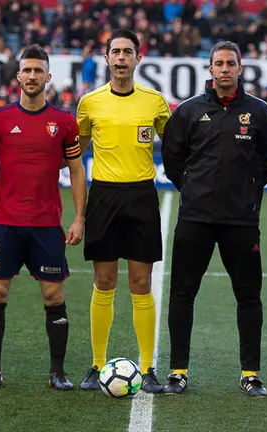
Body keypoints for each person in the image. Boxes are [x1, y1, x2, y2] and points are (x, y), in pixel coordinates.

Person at [161, 41, 267, 397]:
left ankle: (250, 373)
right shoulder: (188, 111)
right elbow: (172, 162)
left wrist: (245, 193)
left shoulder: (259, 113)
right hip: (195, 219)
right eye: (219, 63)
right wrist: (194, 189)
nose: (225, 69)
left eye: (231, 63)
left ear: (241, 69)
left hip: (241, 222)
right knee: (183, 293)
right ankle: (178, 371)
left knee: (248, 297)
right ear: (209, 69)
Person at [0, 45, 87, 390]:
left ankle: (57, 372)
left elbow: (78, 171)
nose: (32, 76)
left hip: (47, 225)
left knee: (53, 297)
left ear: (48, 77)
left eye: (39, 71)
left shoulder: (65, 122)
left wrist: (80, 217)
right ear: (18, 76)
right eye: (27, 70)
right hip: (4, 223)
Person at [76, 28, 170, 394]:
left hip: (142, 196)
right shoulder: (90, 102)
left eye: (127, 52)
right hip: (104, 196)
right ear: (106, 58)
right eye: (114, 51)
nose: (120, 58)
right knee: (104, 282)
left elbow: (175, 143)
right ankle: (97, 364)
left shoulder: (154, 102)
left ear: (137, 58)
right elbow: (75, 151)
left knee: (141, 284)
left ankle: (147, 369)